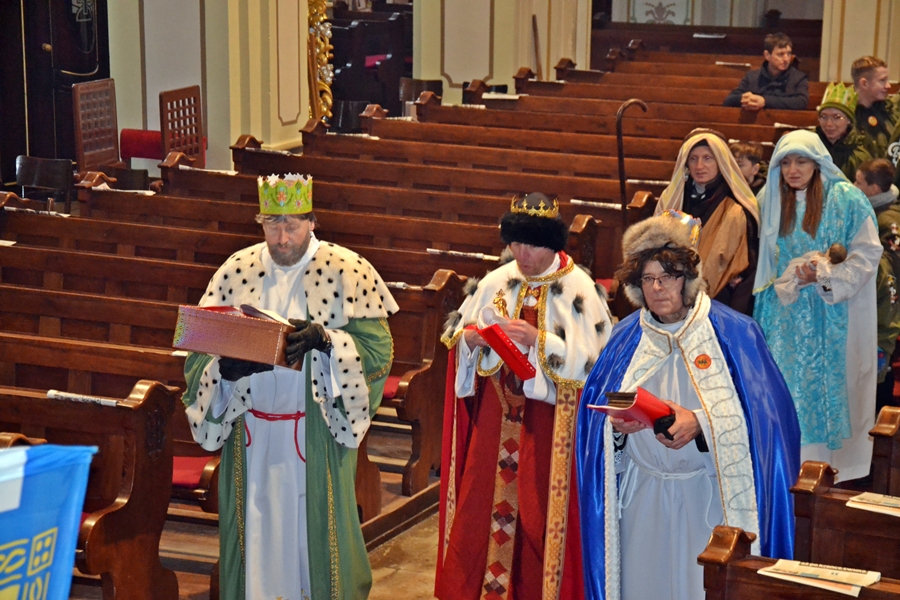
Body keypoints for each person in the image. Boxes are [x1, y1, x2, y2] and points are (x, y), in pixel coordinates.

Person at [181, 174, 397, 599]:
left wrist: (327, 341)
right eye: (272, 225)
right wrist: (224, 373)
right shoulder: (235, 269)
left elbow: (379, 354)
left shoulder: (347, 269)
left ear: (312, 221)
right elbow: (197, 354)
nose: (282, 238)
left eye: (292, 225)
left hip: (313, 435)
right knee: (255, 538)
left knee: (313, 543)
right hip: (251, 436)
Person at [576, 211, 800, 600]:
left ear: (688, 278)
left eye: (668, 276)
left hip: (707, 498)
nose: (657, 288)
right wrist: (618, 428)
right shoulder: (626, 337)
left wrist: (699, 423)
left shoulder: (735, 332)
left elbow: (770, 424)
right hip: (642, 497)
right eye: (648, 279)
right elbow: (597, 417)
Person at [436, 192, 613, 600]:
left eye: (532, 245)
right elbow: (457, 339)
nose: (522, 254)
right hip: (494, 420)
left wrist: (540, 341)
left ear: (552, 243)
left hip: (550, 428)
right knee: (480, 509)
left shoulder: (579, 290)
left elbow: (598, 366)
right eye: (515, 243)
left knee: (539, 517)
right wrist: (471, 341)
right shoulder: (496, 281)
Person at [753, 130, 881, 483]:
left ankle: (823, 473)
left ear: (817, 163)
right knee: (783, 388)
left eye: (801, 162)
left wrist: (824, 275)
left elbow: (867, 252)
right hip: (782, 316)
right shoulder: (769, 199)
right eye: (786, 163)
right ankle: (780, 469)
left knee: (824, 393)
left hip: (830, 315)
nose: (793, 170)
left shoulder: (846, 199)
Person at [655, 130, 760, 315]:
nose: (700, 166)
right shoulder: (673, 198)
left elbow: (745, 261)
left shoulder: (736, 205)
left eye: (708, 158)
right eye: (693, 159)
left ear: (720, 161)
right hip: (671, 293)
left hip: (719, 297)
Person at [855, 158, 900, 411]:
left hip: (885, 305)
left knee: (878, 375)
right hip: (884, 302)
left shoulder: (885, 220)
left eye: (858, 182)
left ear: (873, 189)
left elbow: (893, 263)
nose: (853, 187)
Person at [723, 33, 809, 111]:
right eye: (780, 54)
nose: (786, 59)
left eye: (789, 54)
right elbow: (729, 100)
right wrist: (745, 99)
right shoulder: (752, 77)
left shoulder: (798, 78)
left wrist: (764, 101)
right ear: (767, 55)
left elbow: (801, 102)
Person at [816, 81, 876, 179]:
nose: (829, 124)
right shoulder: (810, 146)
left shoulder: (860, 156)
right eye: (823, 117)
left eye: (836, 117)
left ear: (849, 120)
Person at [853, 56, 900, 157]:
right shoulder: (846, 118)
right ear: (864, 83)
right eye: (882, 80)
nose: (888, 86)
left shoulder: (890, 110)